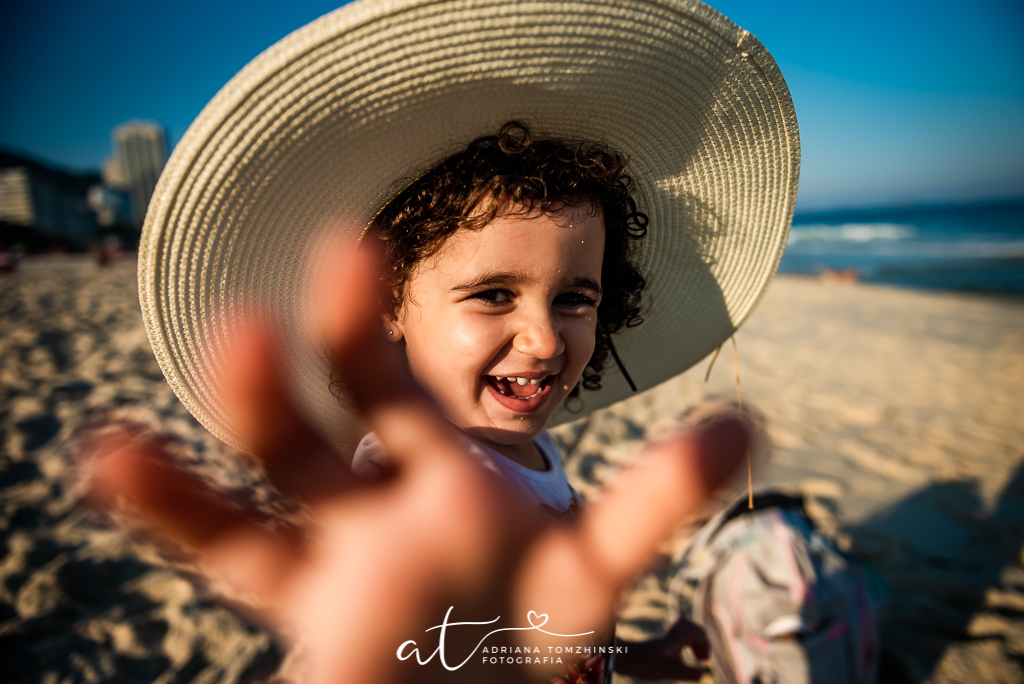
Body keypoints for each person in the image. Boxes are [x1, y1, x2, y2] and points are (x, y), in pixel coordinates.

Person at [89, 0, 799, 682]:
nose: (543, 339)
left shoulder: (527, 450)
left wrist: (636, 656)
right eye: (493, 294)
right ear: (389, 304)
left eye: (574, 299)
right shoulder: (407, 488)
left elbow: (546, 632)